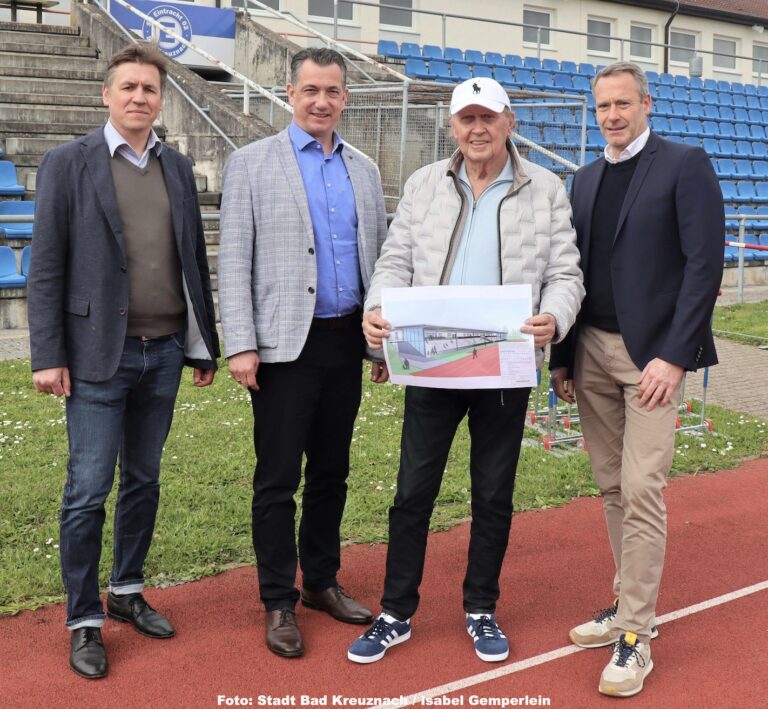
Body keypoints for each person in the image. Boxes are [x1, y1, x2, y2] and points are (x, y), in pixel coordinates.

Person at [347, 77, 584, 665]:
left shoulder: (546, 188)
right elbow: (394, 259)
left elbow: (566, 272)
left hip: (504, 366)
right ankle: (396, 612)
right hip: (432, 364)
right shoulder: (427, 183)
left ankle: (481, 608)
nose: (477, 129)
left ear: (509, 121)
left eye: (488, 118)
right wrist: (377, 308)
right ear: (452, 126)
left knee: (492, 494)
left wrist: (554, 316)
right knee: (411, 494)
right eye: (466, 119)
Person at [27, 43, 220, 679]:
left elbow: (192, 260)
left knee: (144, 480)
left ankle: (127, 590)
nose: (140, 97)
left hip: (163, 353)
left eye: (150, 89)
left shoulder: (177, 165)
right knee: (87, 491)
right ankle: (84, 620)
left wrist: (202, 345)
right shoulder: (67, 162)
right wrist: (48, 355)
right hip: (93, 361)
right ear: (106, 95)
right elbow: (46, 267)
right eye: (129, 87)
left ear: (162, 100)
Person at [549, 61, 724, 697]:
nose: (614, 116)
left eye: (624, 104)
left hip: (653, 358)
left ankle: (636, 636)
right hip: (591, 350)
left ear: (646, 104)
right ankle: (626, 604)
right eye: (603, 107)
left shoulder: (685, 164)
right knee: (610, 486)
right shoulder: (587, 178)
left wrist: (676, 356)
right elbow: (571, 271)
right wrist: (563, 358)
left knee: (643, 486)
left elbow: (705, 266)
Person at [218, 47, 388, 658]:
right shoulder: (251, 163)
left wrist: (381, 342)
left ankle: (319, 581)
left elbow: (383, 260)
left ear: (346, 97)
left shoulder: (363, 170)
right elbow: (234, 260)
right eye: (311, 89)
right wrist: (240, 343)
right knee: (277, 478)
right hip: (284, 346)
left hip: (346, 341)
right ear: (290, 92)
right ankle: (277, 600)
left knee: (333, 472)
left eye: (333, 91)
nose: (322, 101)